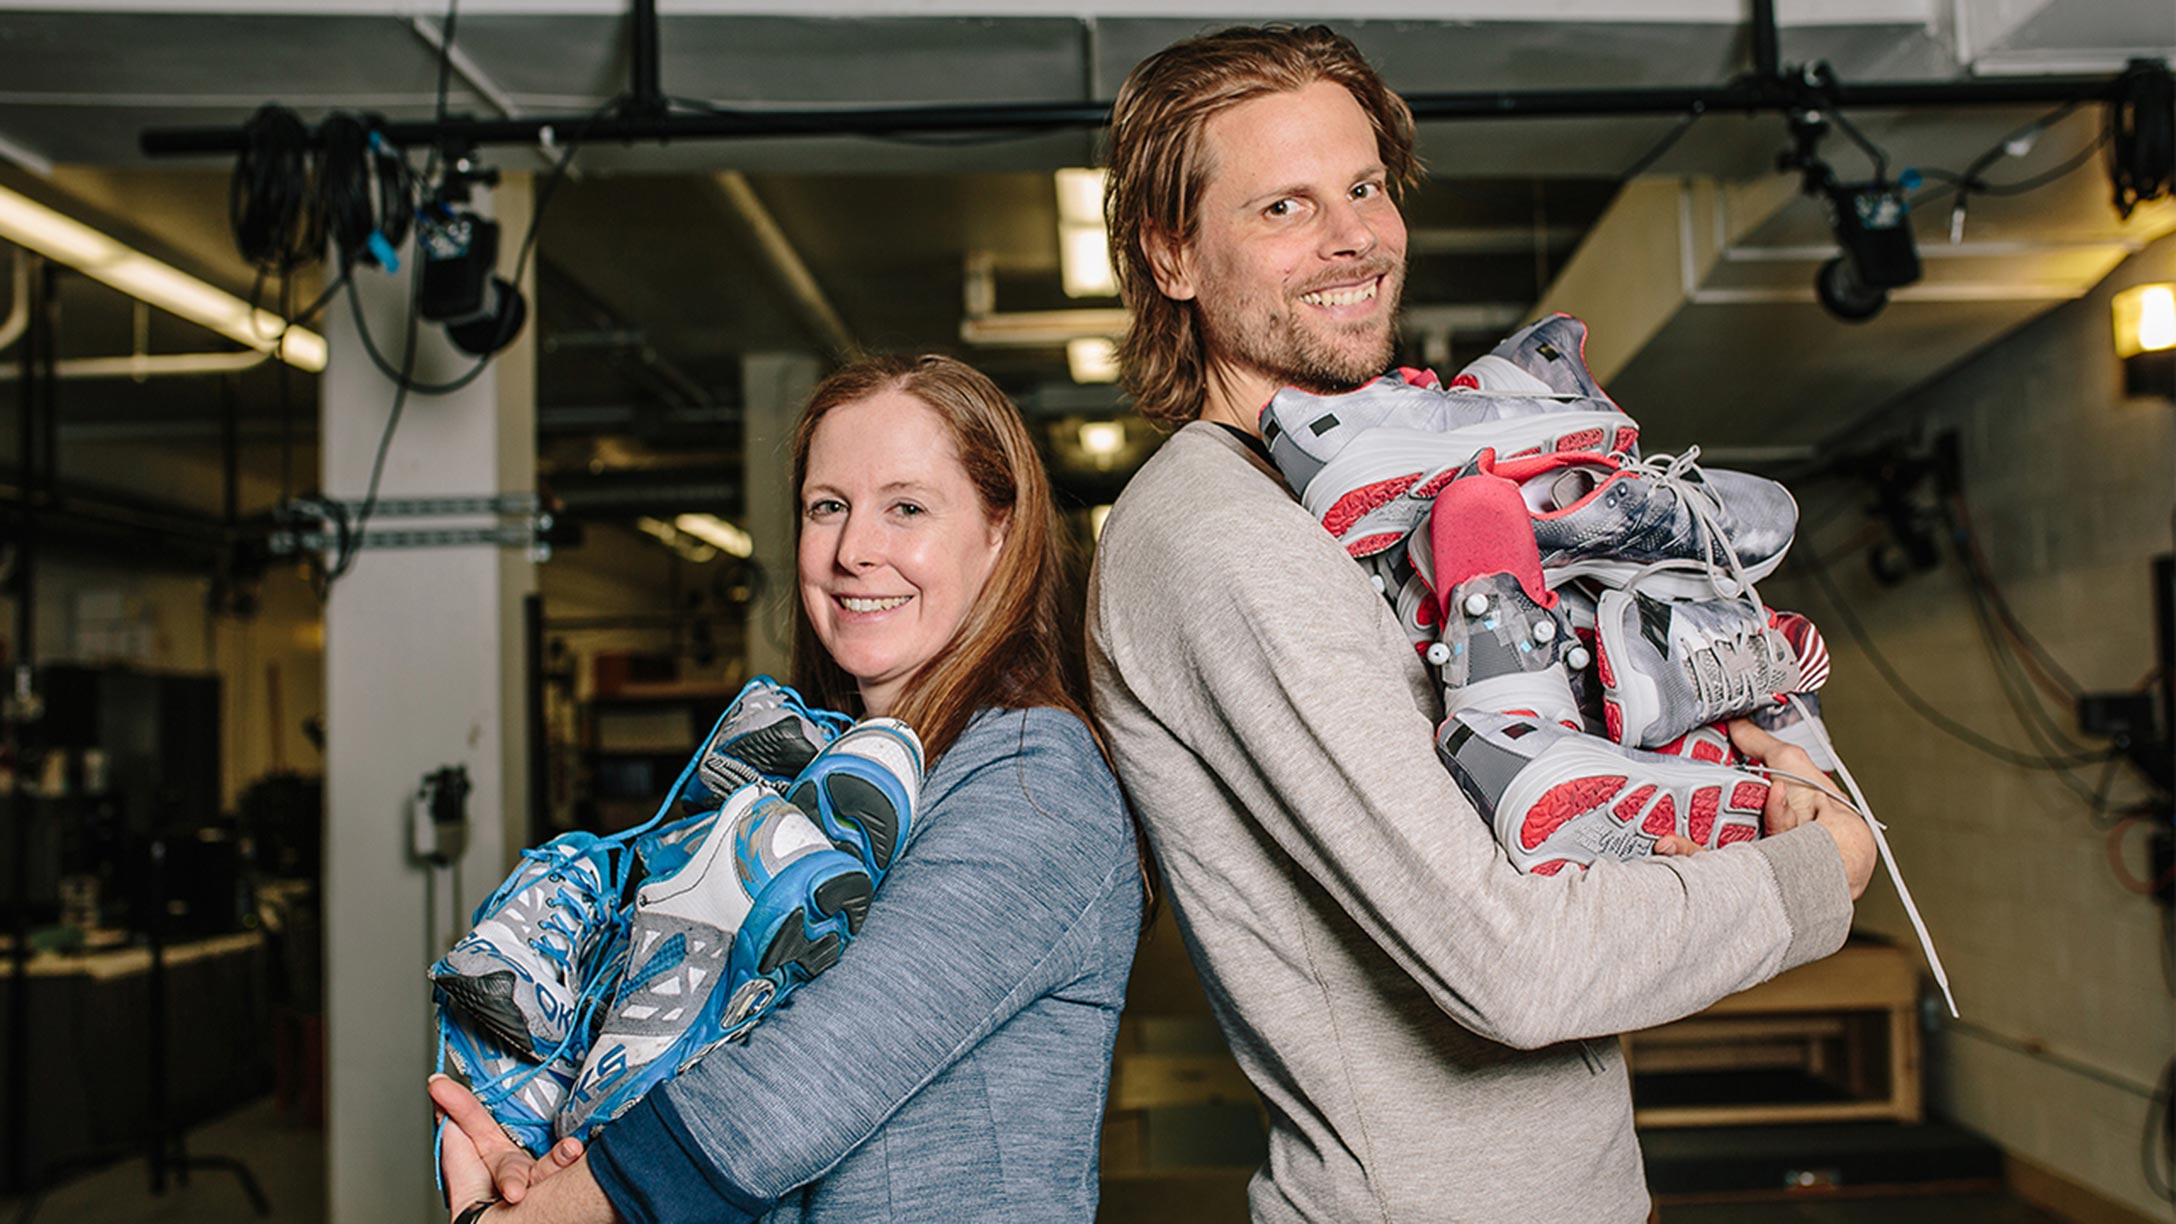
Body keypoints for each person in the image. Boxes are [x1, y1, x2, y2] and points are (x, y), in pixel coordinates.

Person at [1085, 25, 1881, 1223]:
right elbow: (1508, 961)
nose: (1353, 236)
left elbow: (1530, 841)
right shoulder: (1222, 538)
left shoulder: (1329, 510)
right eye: (1284, 208)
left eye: (1362, 187)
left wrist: (1719, 793)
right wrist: (1813, 875)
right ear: (1173, 255)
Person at [430, 353, 1143, 1222]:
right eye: (827, 508)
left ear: (1000, 532)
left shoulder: (1034, 780)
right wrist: (534, 1148)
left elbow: (799, 1082)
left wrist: (538, 1220)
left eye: (906, 508)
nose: (853, 551)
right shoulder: (801, 780)